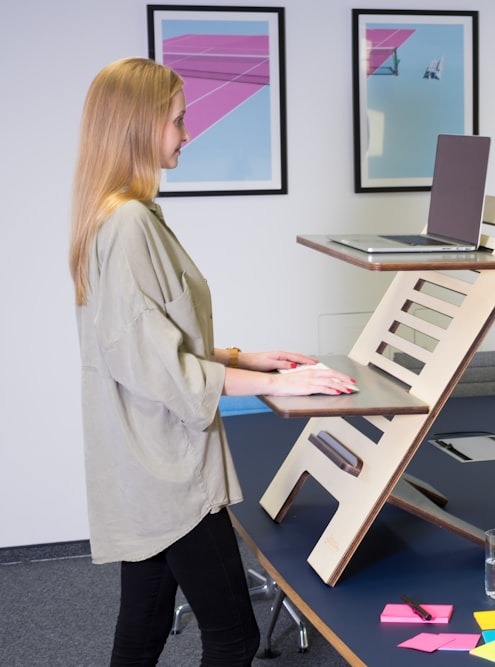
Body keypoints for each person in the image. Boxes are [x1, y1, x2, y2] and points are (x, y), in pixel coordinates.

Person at [69, 57, 357, 666]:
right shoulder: (126, 226)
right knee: (234, 636)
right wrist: (284, 382)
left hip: (147, 465)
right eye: (178, 120)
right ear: (140, 127)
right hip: (169, 472)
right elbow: (155, 366)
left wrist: (243, 355)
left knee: (143, 626)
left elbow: (154, 336)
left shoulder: (127, 216)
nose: (188, 133)